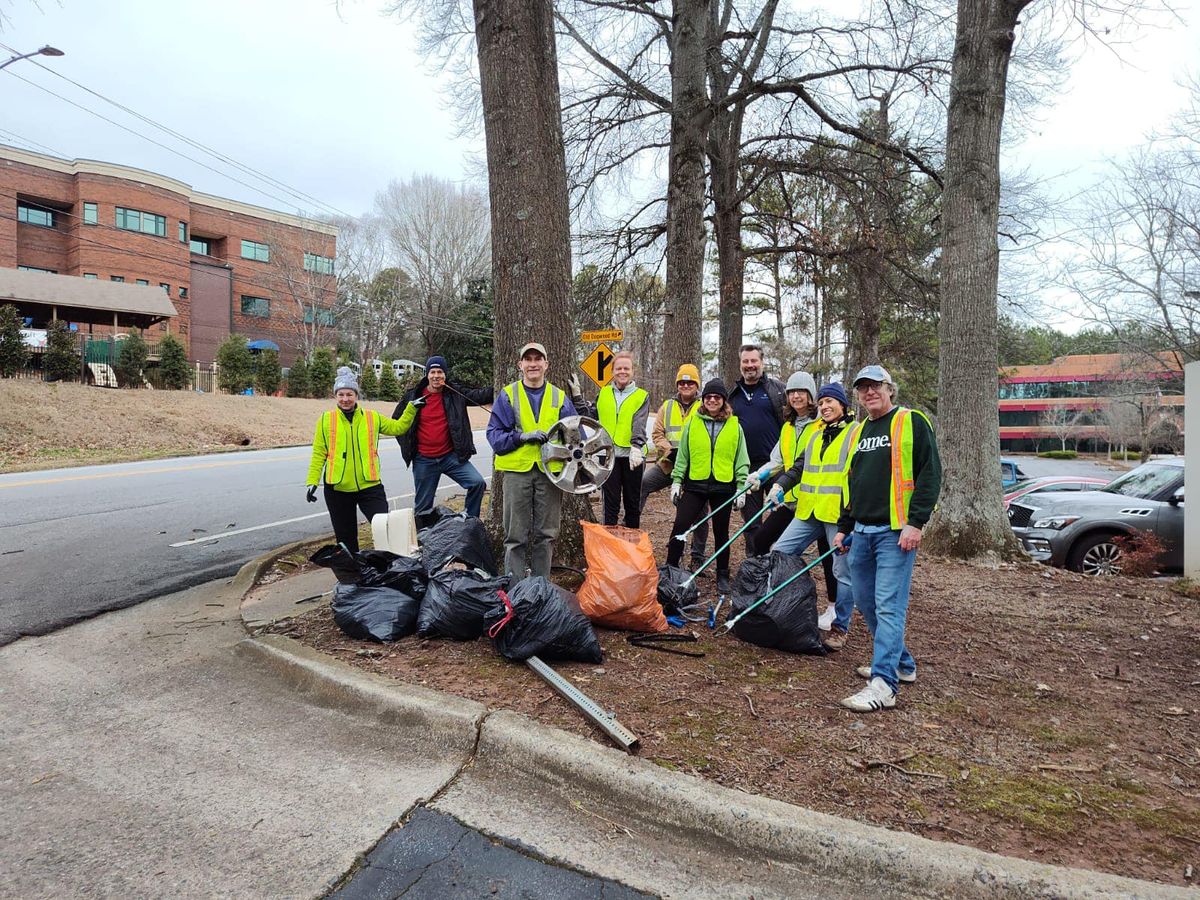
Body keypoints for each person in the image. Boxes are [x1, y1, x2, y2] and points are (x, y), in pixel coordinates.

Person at [834, 365, 941, 712]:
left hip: (895, 533)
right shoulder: (858, 431)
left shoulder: (911, 421)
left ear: (889, 389)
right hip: (862, 532)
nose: (869, 393)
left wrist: (916, 522)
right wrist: (844, 525)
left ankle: (883, 683)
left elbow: (930, 472)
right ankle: (903, 664)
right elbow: (852, 481)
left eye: (875, 386)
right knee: (866, 602)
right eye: (863, 388)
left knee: (889, 606)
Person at [766, 382, 859, 651]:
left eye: (830, 402)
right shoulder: (817, 434)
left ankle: (841, 627)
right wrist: (780, 485)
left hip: (837, 514)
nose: (825, 407)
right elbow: (798, 467)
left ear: (842, 405)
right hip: (809, 511)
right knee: (780, 552)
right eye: (821, 403)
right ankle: (781, 608)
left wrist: (852, 516)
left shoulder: (855, 433)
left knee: (842, 570)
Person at [486, 341, 578, 579]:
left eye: (538, 359)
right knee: (515, 536)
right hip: (517, 473)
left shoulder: (559, 397)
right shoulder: (508, 395)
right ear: (520, 364)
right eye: (529, 359)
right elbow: (494, 437)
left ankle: (540, 589)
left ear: (546, 364)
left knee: (546, 535)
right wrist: (520, 437)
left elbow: (576, 435)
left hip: (550, 474)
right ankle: (515, 592)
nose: (533, 364)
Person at [306, 366, 410, 554]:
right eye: (341, 394)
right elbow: (319, 453)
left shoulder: (372, 417)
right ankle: (352, 577)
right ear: (335, 396)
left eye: (349, 394)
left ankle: (392, 568)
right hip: (337, 489)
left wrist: (411, 408)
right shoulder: (325, 420)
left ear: (356, 395)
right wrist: (312, 481)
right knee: (346, 540)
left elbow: (398, 428)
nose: (345, 399)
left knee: (385, 527)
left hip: (370, 486)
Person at [666, 379, 749, 594]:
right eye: (709, 397)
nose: (712, 400)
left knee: (721, 532)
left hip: (723, 486)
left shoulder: (735, 426)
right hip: (695, 484)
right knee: (680, 526)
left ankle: (723, 574)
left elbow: (741, 459)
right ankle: (670, 569)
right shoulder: (693, 423)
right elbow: (683, 455)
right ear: (703, 400)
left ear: (723, 401)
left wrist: (741, 486)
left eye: (717, 397)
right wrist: (676, 481)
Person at [391, 355, 493, 524]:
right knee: (423, 509)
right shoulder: (413, 395)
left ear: (445, 375)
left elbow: (478, 395)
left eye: (440, 372)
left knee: (477, 483)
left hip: (450, 457)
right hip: (424, 460)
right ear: (427, 374)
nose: (436, 375)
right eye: (432, 372)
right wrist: (409, 446)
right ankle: (423, 540)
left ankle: (469, 523)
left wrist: (502, 387)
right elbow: (396, 423)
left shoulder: (454, 393)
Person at [639, 364, 709, 570]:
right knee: (643, 483)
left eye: (690, 382)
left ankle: (697, 557)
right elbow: (657, 434)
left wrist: (690, 455)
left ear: (696, 385)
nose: (686, 385)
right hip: (669, 464)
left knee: (701, 513)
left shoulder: (704, 406)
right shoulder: (667, 406)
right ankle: (631, 528)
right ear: (678, 385)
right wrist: (670, 450)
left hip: (696, 469)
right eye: (682, 382)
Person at [743, 371, 818, 555]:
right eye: (792, 392)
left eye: (801, 391)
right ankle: (764, 578)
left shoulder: (821, 424)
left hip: (815, 502)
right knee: (761, 540)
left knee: (827, 558)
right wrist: (758, 475)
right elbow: (776, 461)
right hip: (790, 500)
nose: (796, 396)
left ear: (811, 395)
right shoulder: (788, 427)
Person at [577, 350, 649, 528]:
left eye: (626, 368)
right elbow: (590, 416)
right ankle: (611, 546)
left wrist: (637, 446)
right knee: (610, 504)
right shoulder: (604, 393)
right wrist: (577, 396)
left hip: (633, 456)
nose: (622, 372)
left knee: (632, 503)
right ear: (612, 371)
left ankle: (632, 546)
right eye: (618, 368)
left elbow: (639, 422)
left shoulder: (641, 395)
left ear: (633, 371)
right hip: (608, 455)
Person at [728, 344, 787, 550]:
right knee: (751, 521)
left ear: (762, 363)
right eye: (746, 361)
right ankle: (753, 563)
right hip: (748, 468)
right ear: (740, 364)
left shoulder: (778, 390)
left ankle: (776, 558)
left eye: (754, 361)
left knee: (780, 514)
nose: (750, 365)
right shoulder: (733, 395)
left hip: (776, 467)